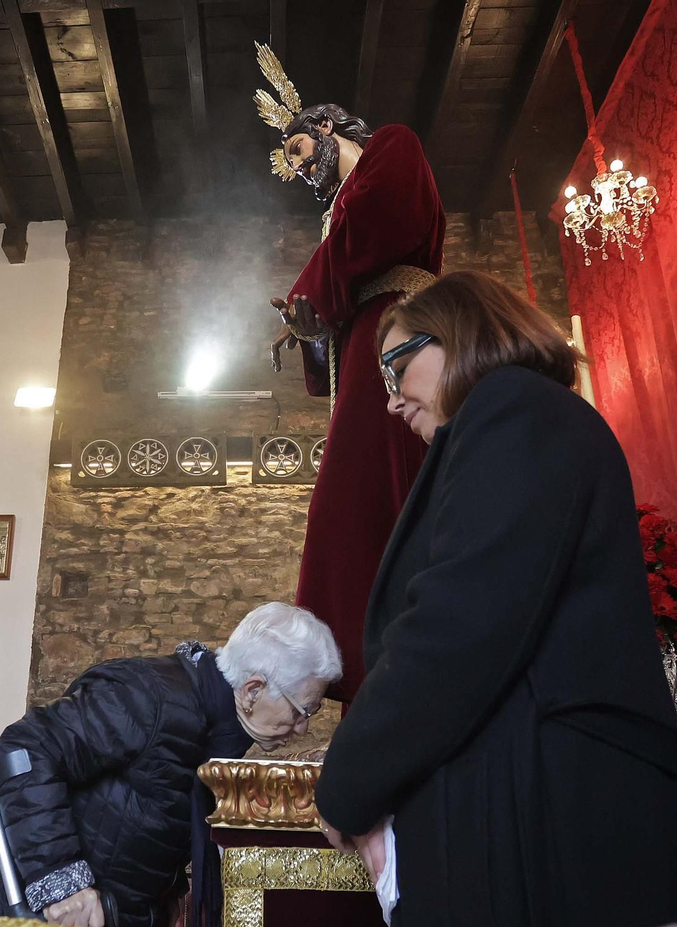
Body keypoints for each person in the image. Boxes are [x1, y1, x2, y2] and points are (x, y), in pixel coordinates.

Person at [314, 271, 677, 927]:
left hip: (543, 819)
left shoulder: (513, 410)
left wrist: (346, 782)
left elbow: (456, 625)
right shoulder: (521, 425)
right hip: (523, 803)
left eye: (396, 365)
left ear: (460, 335)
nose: (390, 397)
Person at [0, 602, 340, 927]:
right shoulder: (149, 697)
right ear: (252, 690)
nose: (303, 727)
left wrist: (161, 912)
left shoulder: (219, 728)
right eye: (303, 710)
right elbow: (28, 748)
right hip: (10, 921)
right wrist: (62, 884)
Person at [254, 42, 445, 704]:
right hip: (365, 343)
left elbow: (373, 227)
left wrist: (313, 289)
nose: (303, 172)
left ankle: (420, 642)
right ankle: (367, 661)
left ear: (328, 127)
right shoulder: (339, 221)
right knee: (347, 502)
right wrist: (310, 329)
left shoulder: (391, 151)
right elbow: (337, 284)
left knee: (396, 482)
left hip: (406, 334)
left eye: (302, 153)